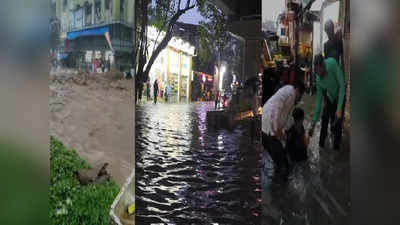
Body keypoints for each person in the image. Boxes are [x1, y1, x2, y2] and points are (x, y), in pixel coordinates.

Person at [262, 82, 305, 177]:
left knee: (279, 162)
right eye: (300, 96)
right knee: (284, 167)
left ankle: (276, 184)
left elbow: (281, 113)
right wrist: (277, 130)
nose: (299, 99)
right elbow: (277, 108)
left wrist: (281, 133)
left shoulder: (287, 90)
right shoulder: (291, 94)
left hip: (267, 129)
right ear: (297, 91)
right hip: (270, 130)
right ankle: (279, 189)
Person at [309, 54, 345, 151]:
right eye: (316, 72)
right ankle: (321, 145)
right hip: (330, 96)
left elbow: (342, 85)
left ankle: (336, 148)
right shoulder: (318, 78)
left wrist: (339, 108)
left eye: (320, 72)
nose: (319, 75)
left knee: (337, 122)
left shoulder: (332, 63)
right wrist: (313, 122)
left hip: (340, 94)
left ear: (324, 65)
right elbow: (318, 101)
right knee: (324, 118)